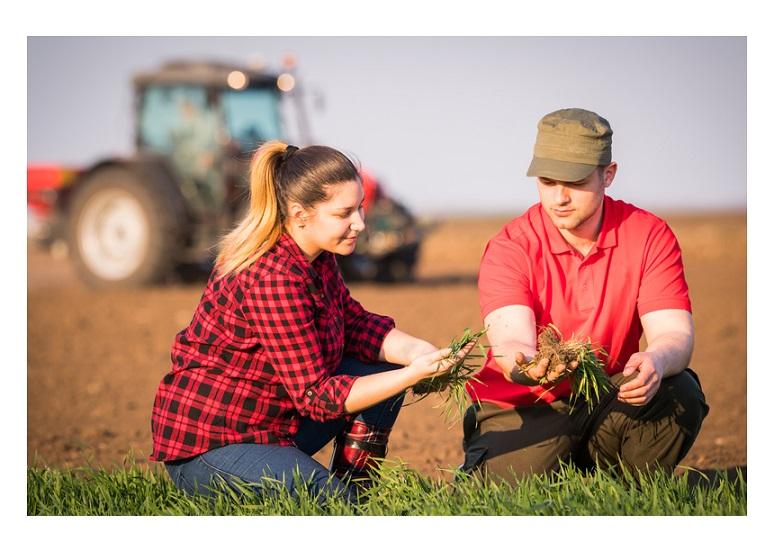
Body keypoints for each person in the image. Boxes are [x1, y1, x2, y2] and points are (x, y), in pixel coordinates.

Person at [151, 141, 472, 502]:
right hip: (214, 445)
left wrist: (418, 352)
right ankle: (344, 502)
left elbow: (355, 325)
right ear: (300, 214)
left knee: (380, 378)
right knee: (334, 505)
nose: (360, 224)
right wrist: (412, 374)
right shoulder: (272, 277)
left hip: (272, 422)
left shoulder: (315, 257)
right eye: (344, 213)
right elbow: (316, 396)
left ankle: (357, 495)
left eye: (361, 209)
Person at [462, 108, 709, 483]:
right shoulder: (510, 246)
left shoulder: (649, 235)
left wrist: (657, 361)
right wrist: (531, 365)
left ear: (608, 175)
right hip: (524, 404)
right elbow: (509, 339)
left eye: (575, 182)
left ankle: (625, 489)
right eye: (547, 181)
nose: (559, 197)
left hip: (606, 395)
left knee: (680, 391)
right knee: (504, 499)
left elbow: (674, 334)